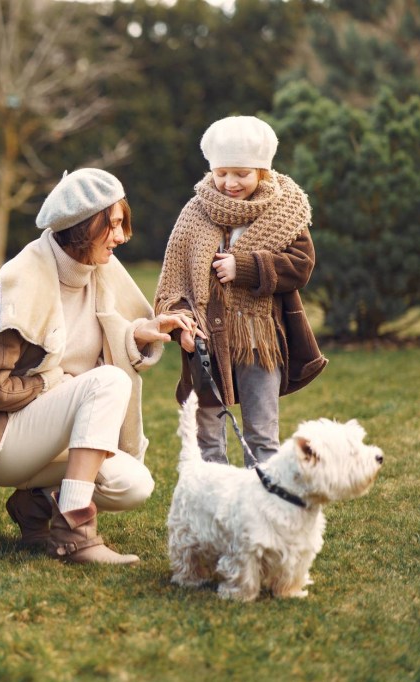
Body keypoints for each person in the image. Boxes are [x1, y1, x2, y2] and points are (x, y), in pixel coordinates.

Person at [0, 169, 196, 565]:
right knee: (109, 382)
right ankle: (74, 531)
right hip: (3, 437)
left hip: (53, 437)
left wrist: (138, 333)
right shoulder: (22, 280)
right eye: (113, 225)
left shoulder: (101, 271)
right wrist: (51, 383)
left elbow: (94, 347)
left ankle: (36, 504)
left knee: (133, 485)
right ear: (82, 227)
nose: (121, 237)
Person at [154, 116, 327, 466]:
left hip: (259, 342)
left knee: (262, 434)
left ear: (262, 171)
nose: (229, 183)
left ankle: (262, 495)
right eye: (221, 173)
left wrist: (246, 267)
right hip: (207, 343)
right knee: (207, 436)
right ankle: (210, 497)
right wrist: (183, 326)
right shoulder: (196, 213)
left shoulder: (285, 210)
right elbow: (175, 284)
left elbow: (301, 264)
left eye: (241, 174)